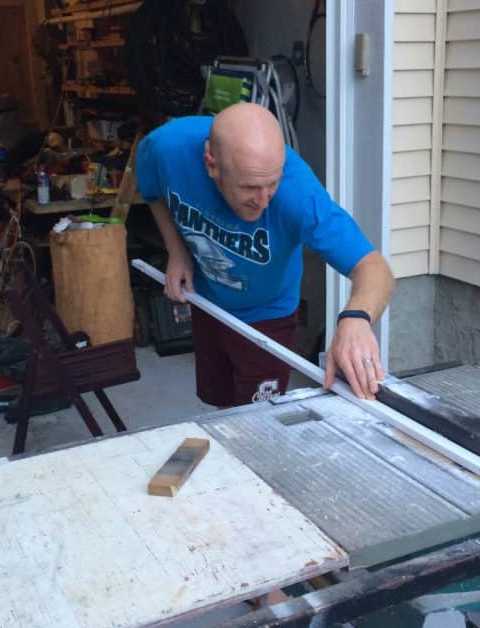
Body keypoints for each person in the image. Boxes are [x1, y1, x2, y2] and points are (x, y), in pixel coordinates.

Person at [136, 103, 394, 406]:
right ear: (211, 165)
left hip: (269, 313)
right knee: (221, 405)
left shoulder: (298, 195)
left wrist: (356, 318)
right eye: (249, 187)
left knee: (258, 420)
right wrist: (176, 251)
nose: (262, 201)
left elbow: (374, 268)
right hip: (207, 301)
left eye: (271, 184)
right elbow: (151, 192)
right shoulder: (165, 148)